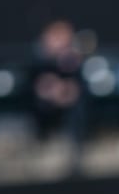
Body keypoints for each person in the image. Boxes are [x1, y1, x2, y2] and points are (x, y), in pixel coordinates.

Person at [26, 19, 87, 170]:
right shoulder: (37, 59)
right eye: (57, 37)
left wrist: (65, 91)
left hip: (67, 107)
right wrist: (51, 90)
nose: (62, 43)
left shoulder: (71, 59)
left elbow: (76, 86)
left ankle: (76, 149)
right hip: (42, 108)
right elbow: (37, 85)